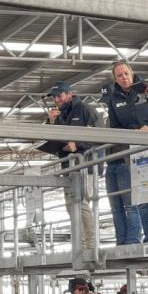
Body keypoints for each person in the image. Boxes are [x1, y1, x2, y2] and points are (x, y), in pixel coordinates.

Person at [101, 61, 148, 243]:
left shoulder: (147, 89)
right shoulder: (113, 99)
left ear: (132, 73)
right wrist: (129, 135)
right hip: (137, 153)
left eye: (126, 73)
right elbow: (115, 129)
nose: (124, 78)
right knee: (145, 196)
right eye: (119, 75)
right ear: (114, 78)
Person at [38, 80, 98, 246]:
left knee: (81, 203)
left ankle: (90, 244)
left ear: (69, 94)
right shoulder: (58, 115)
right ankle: (80, 243)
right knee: (71, 204)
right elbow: (51, 138)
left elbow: (100, 136)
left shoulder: (85, 109)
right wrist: (51, 122)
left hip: (86, 165)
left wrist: (77, 144)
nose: (56, 100)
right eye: (54, 97)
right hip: (68, 166)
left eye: (59, 96)